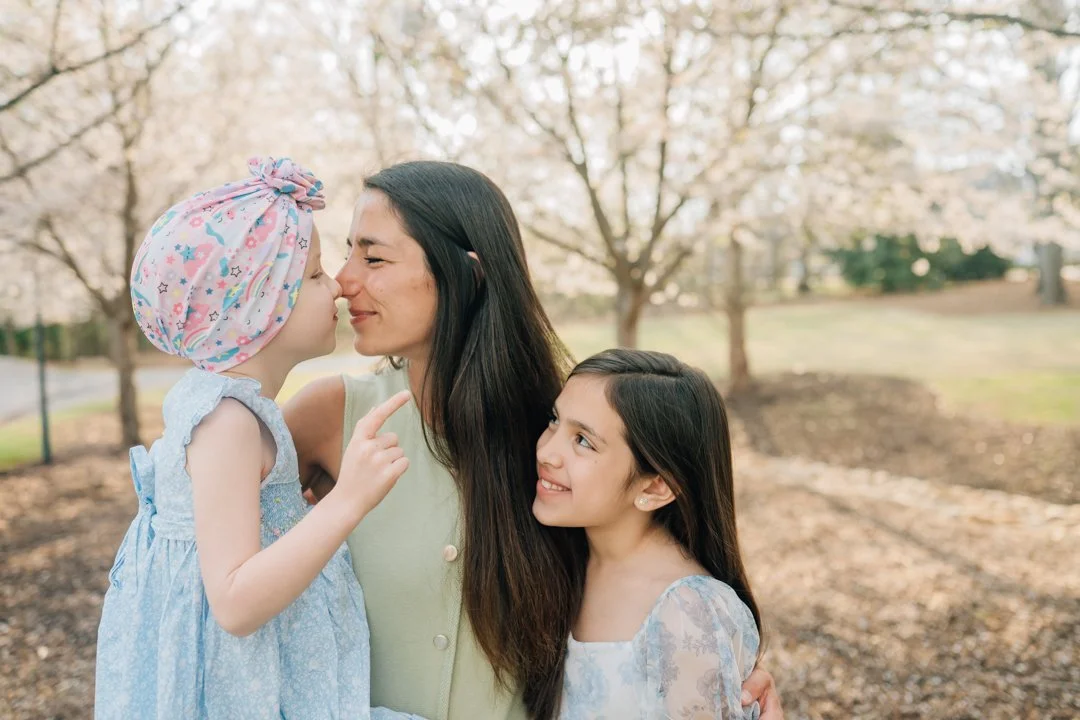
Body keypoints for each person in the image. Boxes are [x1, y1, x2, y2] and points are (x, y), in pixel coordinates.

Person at [285, 160, 783, 719]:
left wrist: (713, 664)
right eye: (348, 251)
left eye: (373, 257)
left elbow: (645, 581)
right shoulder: (330, 416)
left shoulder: (559, 433)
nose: (344, 279)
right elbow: (212, 574)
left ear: (466, 274)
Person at [96, 157, 424, 720]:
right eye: (316, 276)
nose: (340, 289)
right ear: (258, 306)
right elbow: (234, 602)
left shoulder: (241, 411)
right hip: (233, 691)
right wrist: (348, 501)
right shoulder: (227, 423)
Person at [533, 348, 761, 718]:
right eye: (554, 420)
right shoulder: (562, 559)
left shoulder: (688, 612)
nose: (547, 451)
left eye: (584, 441)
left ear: (654, 487)